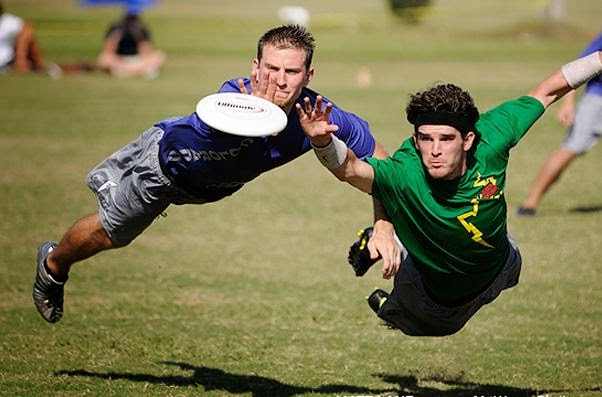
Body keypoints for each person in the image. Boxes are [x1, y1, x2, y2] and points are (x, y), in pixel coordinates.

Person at [32, 24, 390, 324]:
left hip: (211, 188)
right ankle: (53, 265)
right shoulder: (232, 96)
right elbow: (228, 125)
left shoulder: (319, 115)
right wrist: (261, 116)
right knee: (112, 234)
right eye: (271, 69)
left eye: (292, 72)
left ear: (308, 75)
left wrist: (385, 225)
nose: (279, 80)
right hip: (163, 168)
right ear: (255, 67)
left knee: (115, 232)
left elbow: (384, 169)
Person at [297, 50, 602, 336]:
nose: (435, 151)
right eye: (425, 139)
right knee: (430, 327)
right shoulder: (405, 171)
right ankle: (389, 303)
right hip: (436, 291)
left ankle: (390, 239)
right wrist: (322, 143)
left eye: (446, 139)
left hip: (502, 263)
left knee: (509, 270)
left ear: (468, 139)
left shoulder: (493, 137)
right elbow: (351, 169)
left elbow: (548, 90)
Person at [517, 33, 602, 216]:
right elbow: (581, 66)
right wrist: (568, 102)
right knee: (571, 148)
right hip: (597, 100)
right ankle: (530, 203)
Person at [0, 2, 61, 78]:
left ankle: (39, 65)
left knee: (29, 41)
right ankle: (40, 66)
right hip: (6, 63)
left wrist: (20, 56)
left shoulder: (7, 21)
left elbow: (27, 30)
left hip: (6, 61)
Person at [97, 12, 166, 79]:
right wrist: (115, 38)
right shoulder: (116, 28)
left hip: (137, 59)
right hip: (119, 59)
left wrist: (139, 37)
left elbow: (146, 52)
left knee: (160, 56)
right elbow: (108, 50)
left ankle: (125, 71)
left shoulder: (141, 29)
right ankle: (138, 71)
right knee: (104, 58)